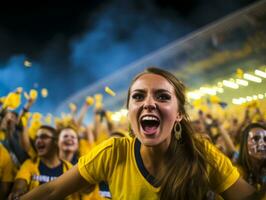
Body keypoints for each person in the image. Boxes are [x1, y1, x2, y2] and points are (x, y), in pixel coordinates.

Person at [20, 67, 257, 200]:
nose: (149, 103)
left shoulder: (201, 153)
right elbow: (52, 190)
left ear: (179, 115)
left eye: (163, 96)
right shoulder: (114, 152)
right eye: (138, 96)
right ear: (129, 111)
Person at [9, 125, 79, 200]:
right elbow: (19, 185)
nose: (38, 141)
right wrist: (17, 192)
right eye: (36, 138)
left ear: (56, 142)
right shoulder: (30, 164)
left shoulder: (70, 168)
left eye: (44, 137)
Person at [237, 123, 266, 191]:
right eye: (256, 139)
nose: (263, 143)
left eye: (265, 139)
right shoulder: (237, 174)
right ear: (245, 144)